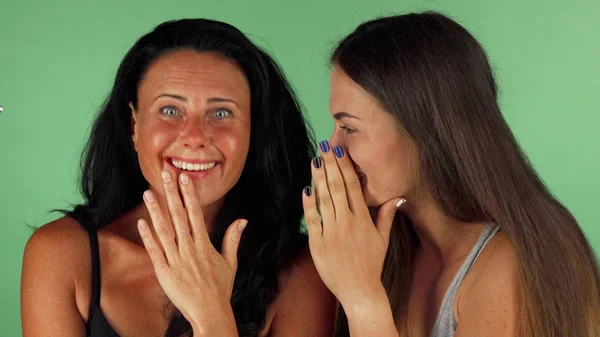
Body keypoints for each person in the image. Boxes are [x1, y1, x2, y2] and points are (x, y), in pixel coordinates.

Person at [21, 19, 336, 337]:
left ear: (254, 132)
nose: (195, 137)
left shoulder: (301, 271)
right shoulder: (61, 255)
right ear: (134, 126)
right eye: (170, 110)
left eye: (222, 113)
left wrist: (211, 316)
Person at [302, 11, 600, 337]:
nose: (333, 147)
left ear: (423, 129)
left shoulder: (508, 264)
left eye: (349, 127)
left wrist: (362, 298)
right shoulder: (389, 249)